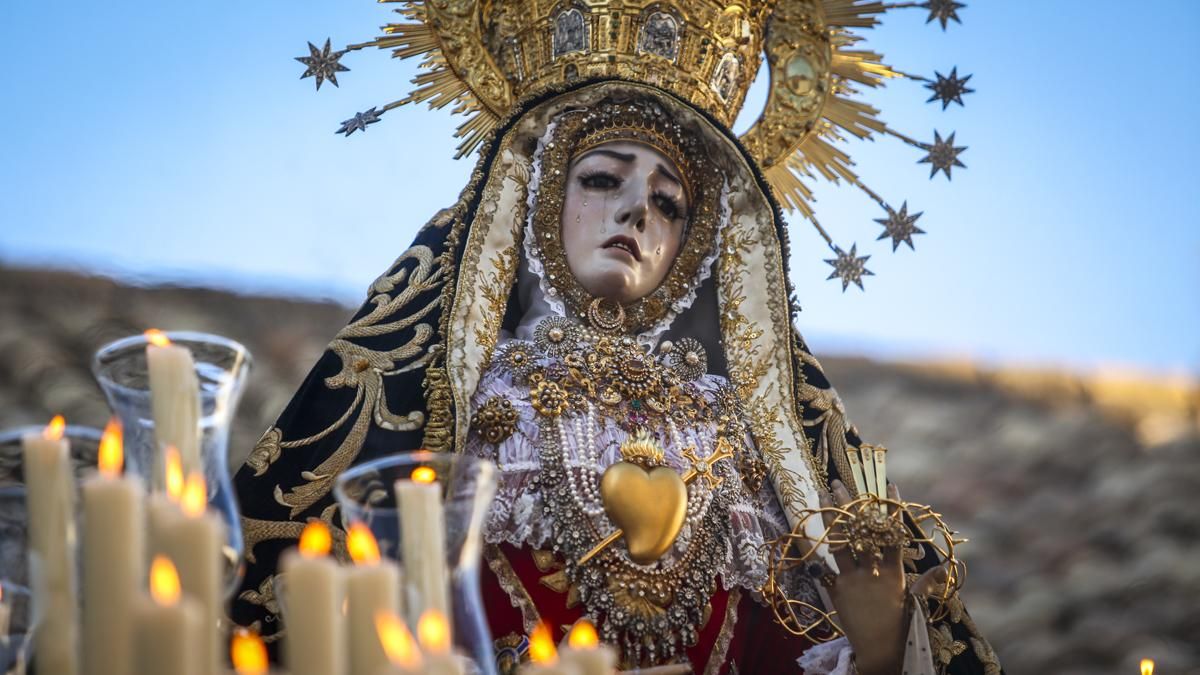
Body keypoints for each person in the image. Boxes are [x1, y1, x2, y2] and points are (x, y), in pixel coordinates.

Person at [233, 3, 1001, 673]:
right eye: (603, 178)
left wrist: (874, 647)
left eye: (669, 204)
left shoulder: (740, 442)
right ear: (538, 200)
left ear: (696, 246)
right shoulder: (458, 387)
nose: (638, 212)